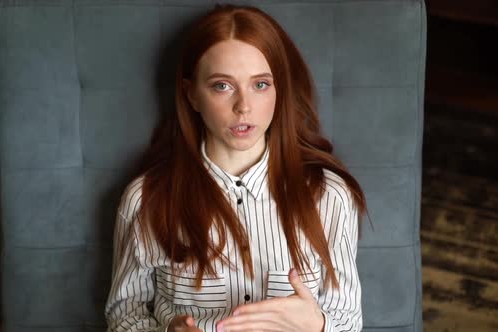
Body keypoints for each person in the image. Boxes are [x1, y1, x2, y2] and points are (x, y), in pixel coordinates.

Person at [104, 4, 368, 332]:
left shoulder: (329, 196)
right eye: (222, 86)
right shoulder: (144, 200)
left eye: (260, 85)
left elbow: (349, 320)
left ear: (279, 90)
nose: (244, 106)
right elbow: (124, 314)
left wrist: (318, 326)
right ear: (192, 95)